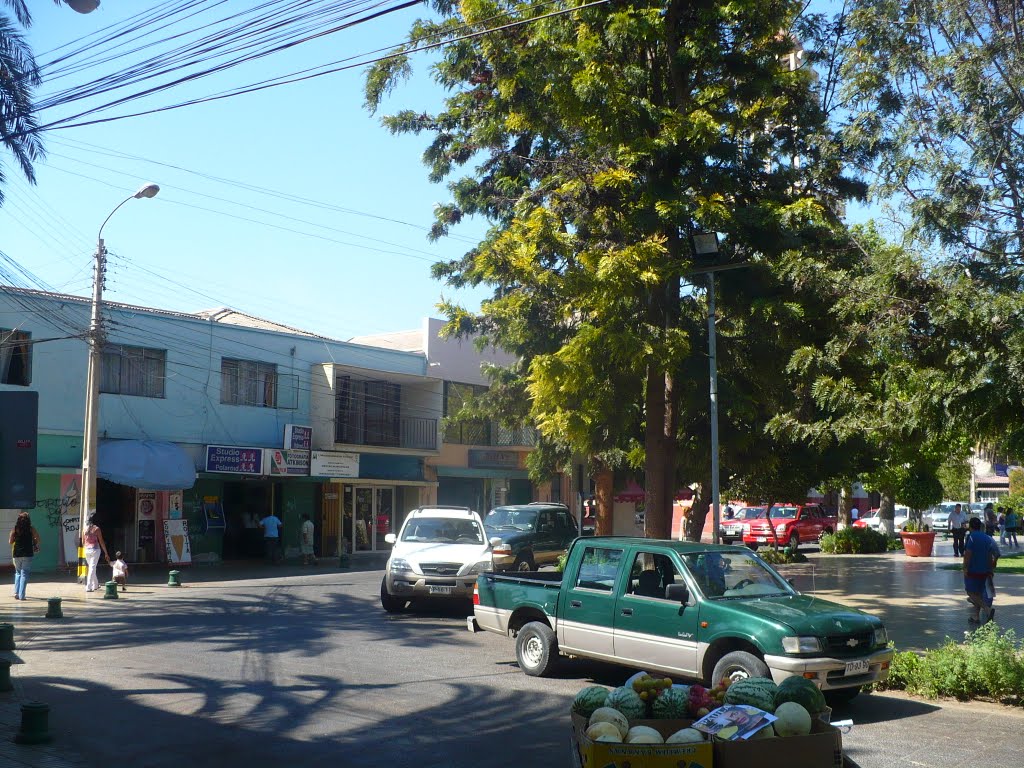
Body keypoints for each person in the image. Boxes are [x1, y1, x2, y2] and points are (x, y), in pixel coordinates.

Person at [963, 517, 1000, 624]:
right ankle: (976, 616)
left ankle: (987, 610)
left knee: (970, 592)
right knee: (978, 593)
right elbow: (992, 553)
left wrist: (965, 567)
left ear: (970, 526)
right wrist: (991, 567)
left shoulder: (971, 537)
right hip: (985, 570)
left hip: (973, 569)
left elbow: (968, 554)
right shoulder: (987, 538)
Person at [9, 512, 40, 601]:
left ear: (19, 520)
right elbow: (38, 539)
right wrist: (34, 542)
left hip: (17, 554)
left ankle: (16, 593)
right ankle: (22, 595)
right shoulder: (31, 529)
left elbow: (10, 542)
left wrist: (15, 538)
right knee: (24, 574)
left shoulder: (15, 529)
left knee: (18, 573)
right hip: (27, 554)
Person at [82, 515, 110, 593]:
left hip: (86, 550)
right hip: (95, 550)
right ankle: (88, 586)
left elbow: (83, 542)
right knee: (92, 568)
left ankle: (96, 585)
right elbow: (101, 541)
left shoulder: (84, 529)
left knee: (91, 568)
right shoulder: (97, 529)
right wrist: (106, 553)